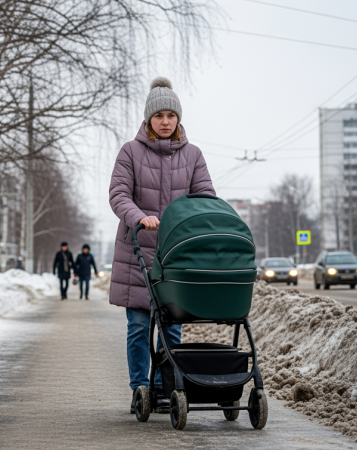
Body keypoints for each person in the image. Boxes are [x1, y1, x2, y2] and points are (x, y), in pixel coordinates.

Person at [108, 77, 215, 413]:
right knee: (139, 327)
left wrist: (193, 224)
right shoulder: (130, 151)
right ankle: (140, 388)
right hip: (137, 251)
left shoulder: (193, 155)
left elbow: (205, 197)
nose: (165, 121)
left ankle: (163, 388)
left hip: (175, 254)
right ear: (149, 119)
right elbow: (119, 194)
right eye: (159, 116)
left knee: (171, 327)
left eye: (171, 115)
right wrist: (139, 217)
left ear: (178, 118)